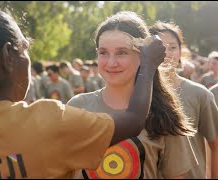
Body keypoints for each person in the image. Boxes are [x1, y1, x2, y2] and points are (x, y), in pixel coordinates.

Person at [0, 8, 165, 178]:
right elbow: (133, 120)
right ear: (9, 56)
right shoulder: (48, 122)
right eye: (25, 48)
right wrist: (149, 65)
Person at [68, 12, 197, 179]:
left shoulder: (164, 114)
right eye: (103, 52)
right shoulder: (77, 106)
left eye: (122, 52)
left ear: (144, 57)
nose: (111, 62)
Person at [150, 21, 218, 179]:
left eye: (173, 47)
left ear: (181, 52)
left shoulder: (200, 95)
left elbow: (215, 145)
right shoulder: (134, 93)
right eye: (159, 46)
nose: (166, 53)